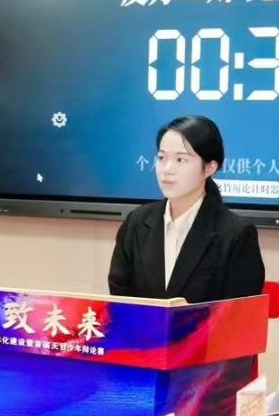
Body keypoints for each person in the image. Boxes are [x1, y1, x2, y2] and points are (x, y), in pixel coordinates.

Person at [105, 115, 265, 302]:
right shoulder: (136, 222)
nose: (167, 169)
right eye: (162, 157)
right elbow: (120, 295)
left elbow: (240, 311)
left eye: (180, 159)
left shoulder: (236, 234)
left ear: (210, 168)